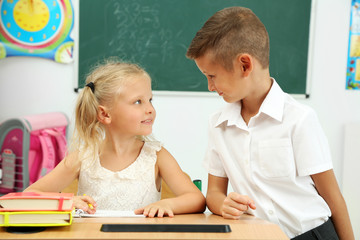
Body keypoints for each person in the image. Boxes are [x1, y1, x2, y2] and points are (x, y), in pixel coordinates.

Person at [186, 6, 354, 239]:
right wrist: (223, 203)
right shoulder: (218, 125)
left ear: (245, 65)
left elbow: (332, 196)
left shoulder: (299, 119)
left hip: (313, 234)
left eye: (212, 76)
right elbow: (214, 192)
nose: (210, 87)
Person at [25, 59, 206, 218]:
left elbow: (196, 199)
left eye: (150, 100)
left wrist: (167, 204)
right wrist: (66, 201)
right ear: (105, 114)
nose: (150, 108)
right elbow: (29, 195)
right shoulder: (83, 158)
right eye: (138, 101)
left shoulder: (157, 156)